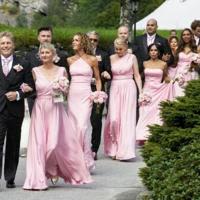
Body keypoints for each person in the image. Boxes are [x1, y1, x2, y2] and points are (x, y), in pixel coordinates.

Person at [23, 43, 92, 191]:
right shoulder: (35, 71)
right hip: (40, 110)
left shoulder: (62, 71)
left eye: (47, 53)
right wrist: (26, 89)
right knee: (40, 145)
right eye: (42, 53)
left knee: (53, 144)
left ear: (53, 55)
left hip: (56, 109)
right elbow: (30, 89)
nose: (44, 55)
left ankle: (53, 169)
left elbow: (67, 93)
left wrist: (61, 88)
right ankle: (38, 178)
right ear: (39, 56)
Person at [0, 31, 35, 188]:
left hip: (15, 110)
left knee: (13, 145)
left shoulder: (24, 63)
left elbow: (31, 88)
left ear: (13, 45)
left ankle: (10, 177)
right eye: (2, 43)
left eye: (8, 43)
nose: (5, 46)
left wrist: (18, 94)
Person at [67, 33, 102, 170]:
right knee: (74, 129)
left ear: (83, 42)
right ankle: (75, 160)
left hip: (86, 96)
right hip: (73, 96)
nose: (73, 42)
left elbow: (98, 79)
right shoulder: (70, 60)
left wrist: (98, 93)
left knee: (82, 127)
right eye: (73, 39)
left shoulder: (92, 60)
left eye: (76, 40)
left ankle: (85, 159)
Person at [104, 38, 142, 161]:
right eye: (116, 49)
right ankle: (114, 147)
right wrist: (106, 74)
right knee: (114, 119)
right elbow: (107, 72)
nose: (118, 51)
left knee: (127, 119)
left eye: (121, 49)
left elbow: (137, 75)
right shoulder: (111, 58)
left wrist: (141, 92)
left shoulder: (132, 57)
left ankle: (125, 151)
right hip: (115, 87)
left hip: (129, 87)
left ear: (126, 47)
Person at [136, 43, 173, 144]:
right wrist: (140, 91)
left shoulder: (163, 64)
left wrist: (170, 80)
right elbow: (140, 77)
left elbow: (165, 77)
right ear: (149, 52)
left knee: (156, 114)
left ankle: (152, 136)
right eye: (151, 50)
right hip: (147, 91)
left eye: (155, 50)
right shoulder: (144, 63)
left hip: (159, 91)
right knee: (144, 113)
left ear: (159, 52)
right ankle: (142, 136)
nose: (153, 52)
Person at [26, 26, 68, 115]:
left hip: (56, 99)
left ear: (51, 37)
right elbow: (26, 77)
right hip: (34, 98)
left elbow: (65, 78)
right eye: (43, 36)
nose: (46, 38)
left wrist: (62, 91)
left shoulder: (61, 55)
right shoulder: (29, 56)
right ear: (38, 37)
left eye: (48, 36)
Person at [86, 31, 111, 160]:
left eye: (95, 40)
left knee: (96, 119)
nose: (92, 42)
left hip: (98, 90)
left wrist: (105, 74)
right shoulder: (81, 53)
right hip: (83, 89)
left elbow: (107, 69)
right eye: (90, 39)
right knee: (82, 120)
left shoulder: (104, 54)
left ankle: (94, 148)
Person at [173, 28, 199, 97]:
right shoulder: (178, 48)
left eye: (188, 34)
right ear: (181, 37)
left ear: (191, 36)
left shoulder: (196, 48)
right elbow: (174, 63)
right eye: (184, 35)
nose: (186, 36)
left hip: (192, 74)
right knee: (178, 95)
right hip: (179, 75)